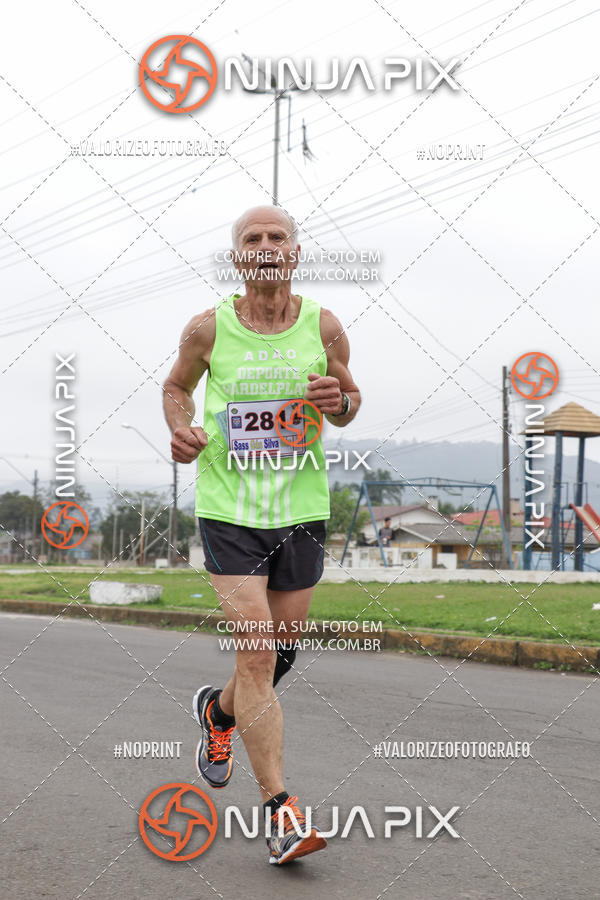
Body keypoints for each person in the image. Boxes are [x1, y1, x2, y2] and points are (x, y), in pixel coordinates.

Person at [162, 205, 360, 865]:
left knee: (280, 654)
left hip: (301, 508)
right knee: (255, 653)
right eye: (253, 238)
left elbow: (351, 400)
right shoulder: (206, 329)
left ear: (296, 255)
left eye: (278, 238)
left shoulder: (323, 325)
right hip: (229, 510)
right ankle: (281, 812)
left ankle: (218, 715)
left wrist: (342, 402)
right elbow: (175, 388)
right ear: (239, 257)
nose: (267, 246)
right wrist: (183, 429)